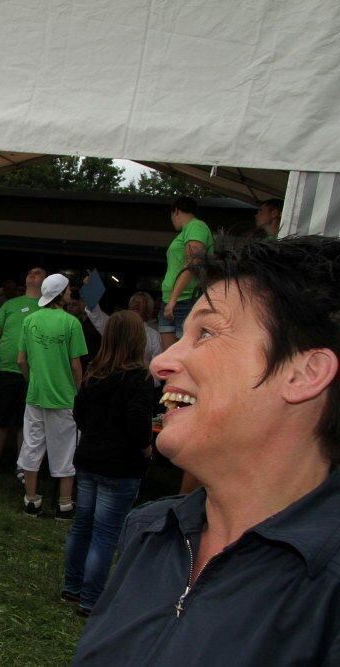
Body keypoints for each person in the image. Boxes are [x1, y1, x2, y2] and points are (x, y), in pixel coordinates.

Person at [73, 236, 340, 664]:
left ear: (304, 374)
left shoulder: (326, 588)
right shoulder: (151, 531)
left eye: (207, 332)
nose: (162, 362)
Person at [62, 311, 152, 616]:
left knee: (83, 526)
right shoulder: (138, 379)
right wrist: (145, 446)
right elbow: (138, 425)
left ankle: (73, 586)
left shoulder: (94, 374)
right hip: (119, 465)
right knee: (104, 533)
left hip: (90, 460)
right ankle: (90, 598)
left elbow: (80, 414)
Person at [16, 274, 87, 518]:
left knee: (32, 446)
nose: (71, 293)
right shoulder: (72, 323)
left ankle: (31, 500)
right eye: (68, 290)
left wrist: (31, 380)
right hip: (64, 397)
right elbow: (76, 365)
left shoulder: (29, 321)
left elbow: (21, 360)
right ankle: (64, 505)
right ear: (61, 294)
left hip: (35, 394)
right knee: (65, 450)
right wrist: (77, 390)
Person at [0, 267, 46, 479]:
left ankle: (21, 465)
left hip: (34, 374)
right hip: (4, 370)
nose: (33, 273)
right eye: (31, 272)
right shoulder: (10, 304)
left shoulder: (48, 307)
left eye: (39, 273)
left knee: (25, 422)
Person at [159, 196, 213, 350]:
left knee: (184, 356)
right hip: (171, 301)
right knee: (168, 360)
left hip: (185, 299)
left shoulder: (196, 226)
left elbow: (194, 262)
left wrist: (174, 298)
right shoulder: (187, 231)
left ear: (175, 211)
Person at [85, 291, 163, 376]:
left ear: (148, 309)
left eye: (141, 302)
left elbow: (157, 366)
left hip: (140, 382)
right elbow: (96, 315)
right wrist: (90, 288)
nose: (136, 303)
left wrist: (148, 382)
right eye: (134, 301)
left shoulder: (154, 336)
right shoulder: (116, 327)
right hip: (113, 378)